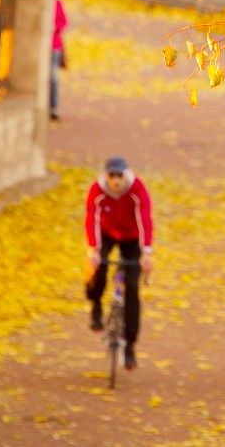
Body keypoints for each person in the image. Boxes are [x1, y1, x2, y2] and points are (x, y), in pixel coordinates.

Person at [85, 156, 155, 370]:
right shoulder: (97, 190)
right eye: (111, 176)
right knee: (98, 269)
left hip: (132, 238)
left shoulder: (137, 189)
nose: (116, 181)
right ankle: (96, 305)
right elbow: (92, 218)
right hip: (106, 234)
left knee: (132, 288)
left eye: (120, 176)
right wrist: (94, 249)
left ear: (126, 174)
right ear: (106, 175)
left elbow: (144, 218)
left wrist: (146, 252)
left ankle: (130, 346)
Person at [50, 0, 67, 120]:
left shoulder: (56, 1)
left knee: (53, 77)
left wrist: (54, 27)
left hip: (54, 46)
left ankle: (53, 106)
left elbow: (63, 22)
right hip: (41, 46)